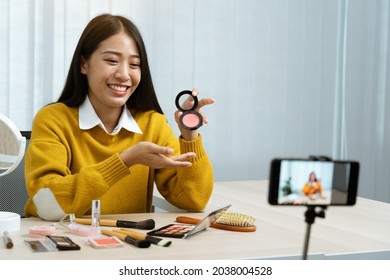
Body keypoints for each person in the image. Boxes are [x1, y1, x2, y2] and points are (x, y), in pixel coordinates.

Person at [24, 14, 215, 221]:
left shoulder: (152, 123)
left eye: (134, 65)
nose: (124, 74)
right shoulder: (53, 119)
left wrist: (189, 136)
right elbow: (47, 204)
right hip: (64, 247)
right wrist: (125, 161)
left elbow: (194, 199)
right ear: (83, 64)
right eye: (112, 61)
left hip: (128, 246)